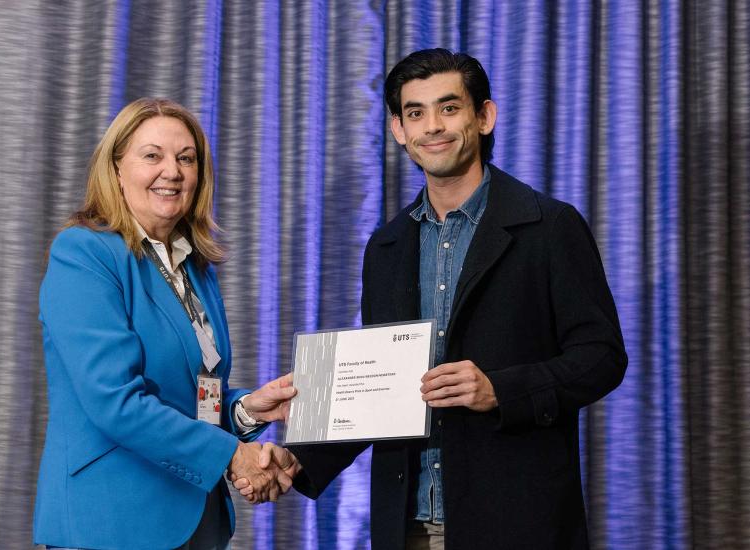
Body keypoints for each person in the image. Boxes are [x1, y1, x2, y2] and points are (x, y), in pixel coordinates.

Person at [237, 49, 628, 549]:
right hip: (406, 527)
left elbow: (602, 358)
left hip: (515, 522)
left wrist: (500, 390)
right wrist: (301, 460)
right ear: (399, 129)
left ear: (484, 116)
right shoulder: (387, 245)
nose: (433, 127)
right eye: (415, 113)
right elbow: (383, 391)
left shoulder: (549, 226)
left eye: (449, 108)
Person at [34, 98, 296, 550]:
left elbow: (197, 397)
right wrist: (233, 456)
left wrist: (249, 409)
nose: (172, 171)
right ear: (116, 168)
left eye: (186, 158)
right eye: (152, 155)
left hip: (196, 519)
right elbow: (115, 401)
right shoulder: (84, 254)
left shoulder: (193, 267)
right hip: (112, 522)